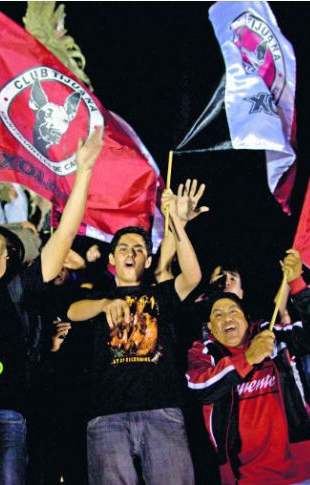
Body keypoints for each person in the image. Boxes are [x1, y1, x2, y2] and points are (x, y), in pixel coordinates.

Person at [0, 126, 103, 485]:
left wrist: (84, 172)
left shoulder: (19, 287)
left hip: (4, 417)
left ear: (10, 253)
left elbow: (63, 237)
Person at [66, 186, 203, 485]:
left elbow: (193, 277)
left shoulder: (161, 296)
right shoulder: (98, 295)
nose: (131, 253)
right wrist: (104, 304)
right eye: (124, 248)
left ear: (148, 261)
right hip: (107, 416)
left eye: (139, 249)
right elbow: (72, 311)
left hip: (162, 409)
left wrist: (176, 221)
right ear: (113, 258)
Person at [186, 250, 310, 485]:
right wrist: (248, 358)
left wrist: (297, 282)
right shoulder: (203, 351)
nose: (227, 318)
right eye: (218, 314)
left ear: (247, 316)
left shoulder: (269, 335)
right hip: (245, 477)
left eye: (234, 312)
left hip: (295, 473)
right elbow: (200, 388)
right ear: (210, 326)